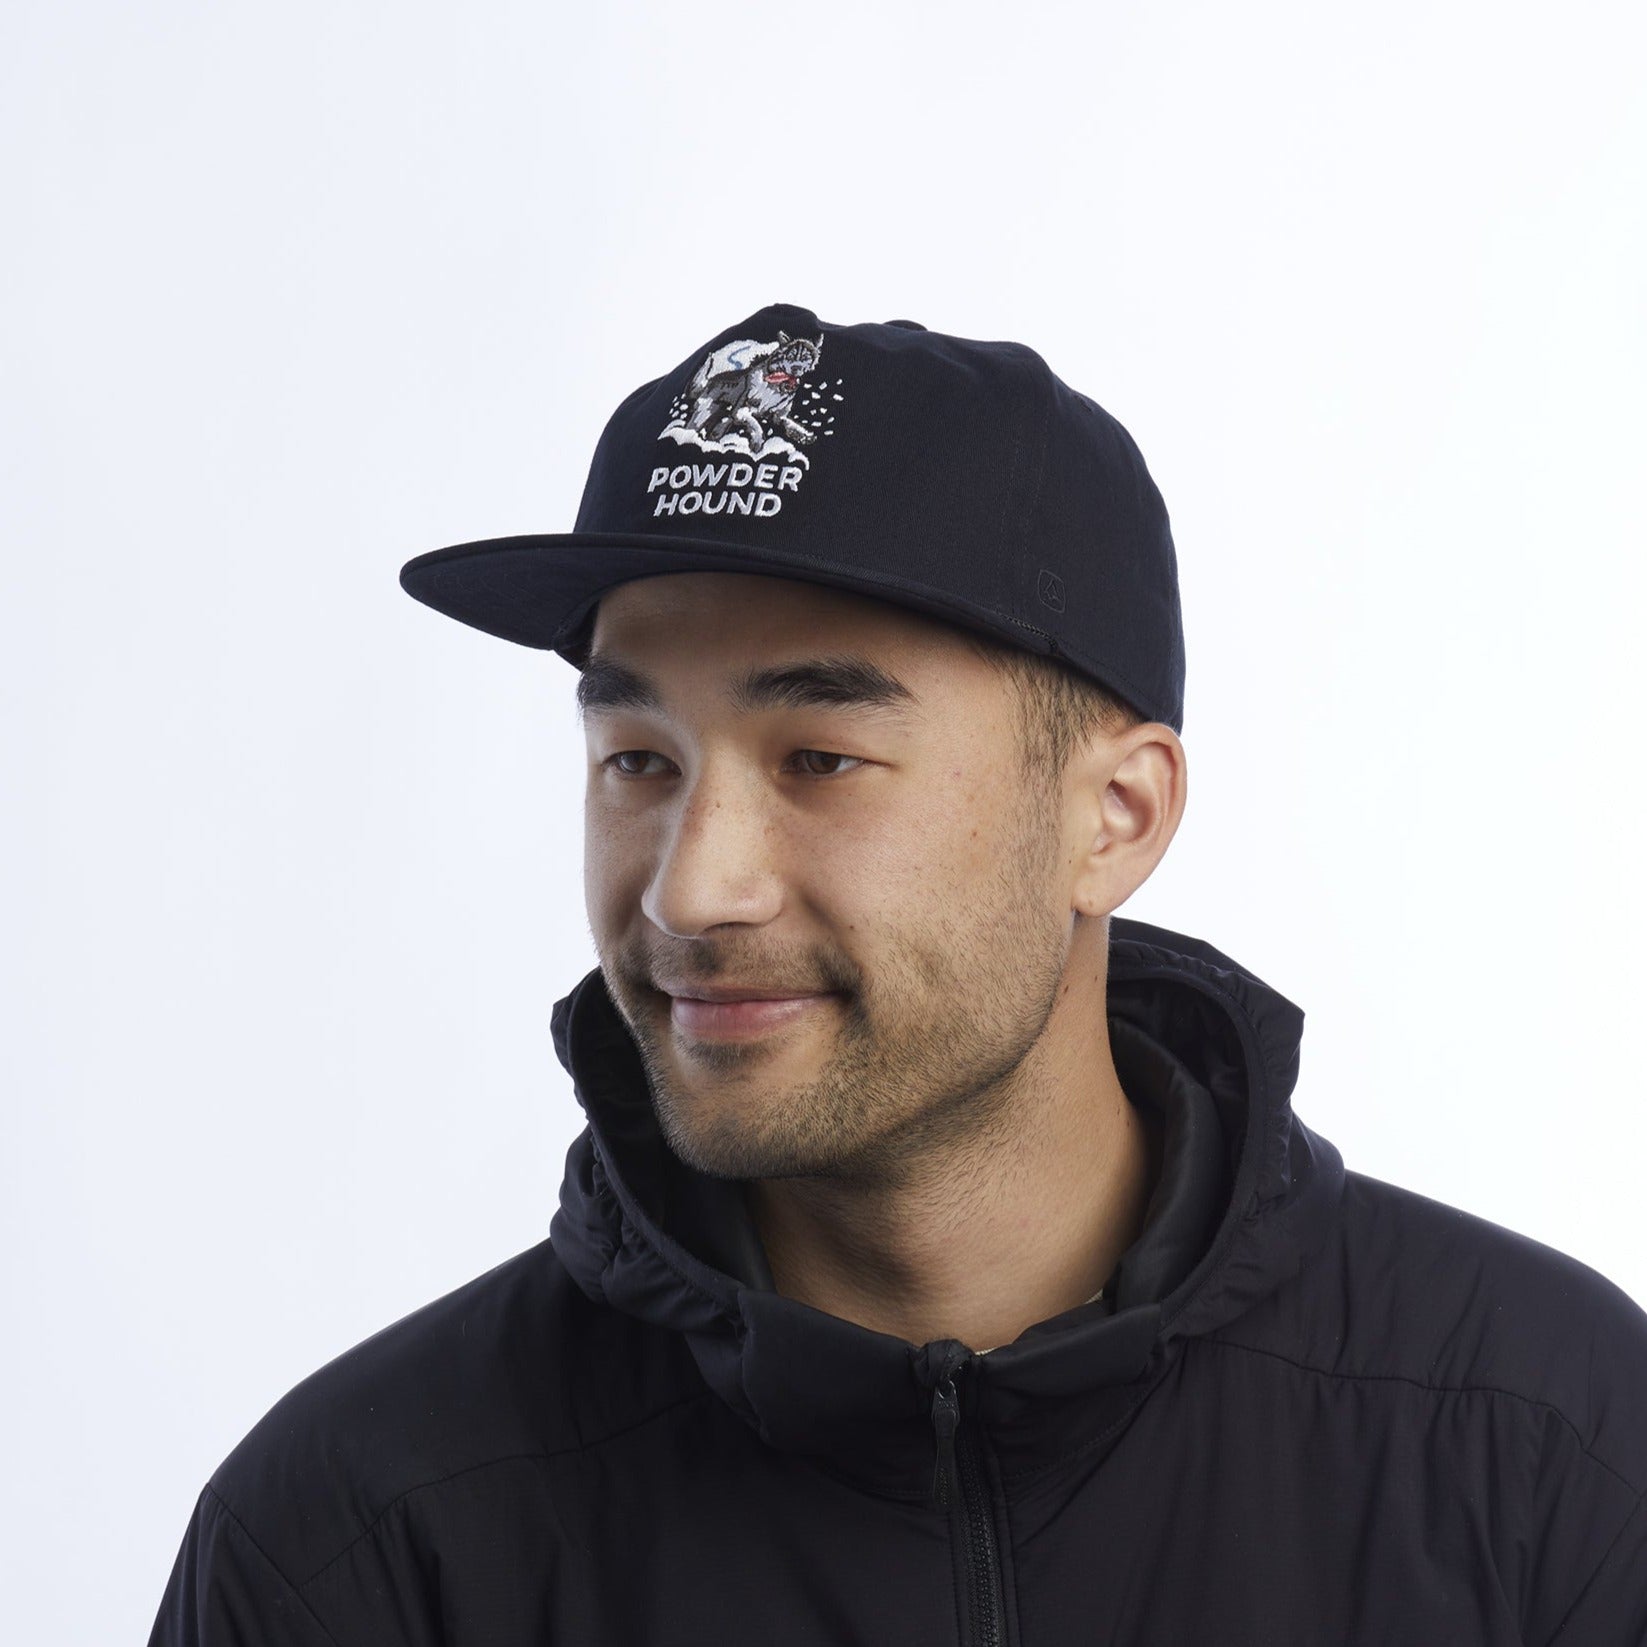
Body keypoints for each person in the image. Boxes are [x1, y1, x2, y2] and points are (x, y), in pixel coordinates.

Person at [148, 304, 1647, 1644]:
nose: (690, 887)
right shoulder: (364, 1543)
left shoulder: (1552, 1450)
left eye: (820, 759)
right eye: (638, 760)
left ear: (1116, 818)